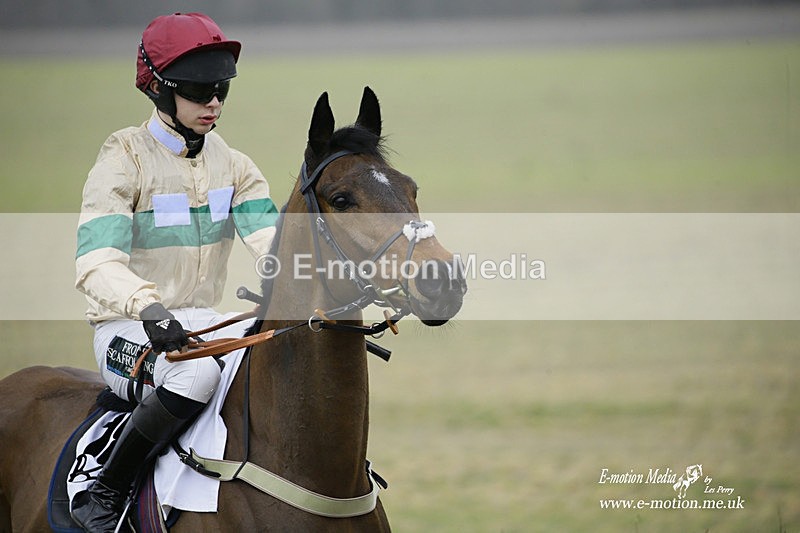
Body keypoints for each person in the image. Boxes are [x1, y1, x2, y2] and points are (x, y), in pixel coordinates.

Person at [72, 12, 277, 532]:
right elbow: (96, 263)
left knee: (278, 348)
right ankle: (108, 489)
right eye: (199, 90)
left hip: (204, 320)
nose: (214, 103)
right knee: (198, 373)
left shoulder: (235, 165)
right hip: (129, 329)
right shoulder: (122, 160)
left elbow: (269, 240)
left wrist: (301, 277)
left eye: (221, 90)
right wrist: (150, 309)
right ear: (161, 90)